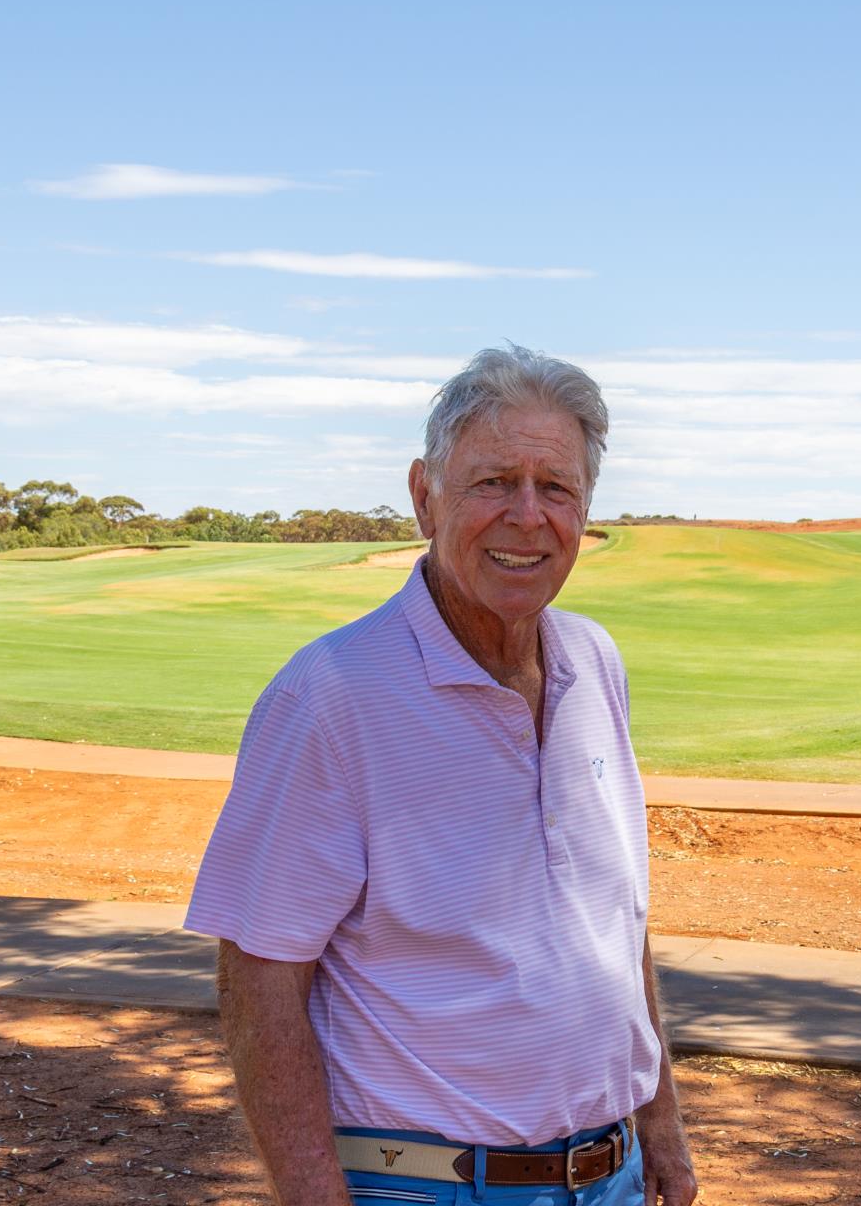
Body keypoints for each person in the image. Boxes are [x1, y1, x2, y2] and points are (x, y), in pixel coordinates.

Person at [185, 345, 697, 1206]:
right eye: (494, 482)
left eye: (557, 488)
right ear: (425, 495)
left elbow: (616, 927)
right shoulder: (332, 696)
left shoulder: (594, 664)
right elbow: (261, 976)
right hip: (424, 1187)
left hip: (612, 1177)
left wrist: (663, 1129)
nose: (527, 517)